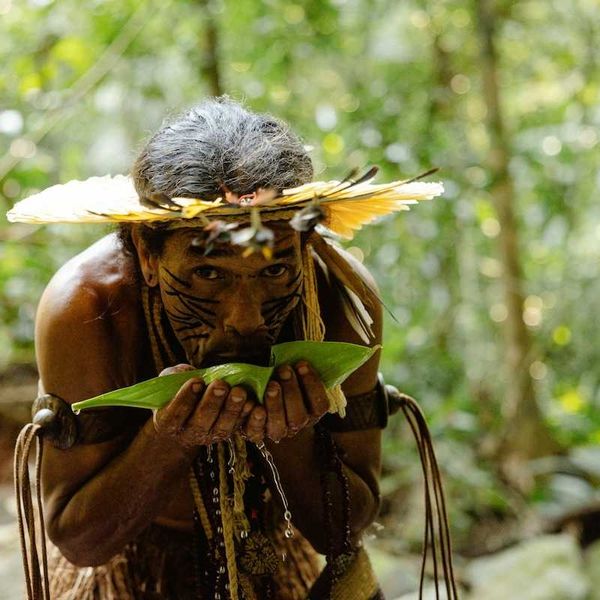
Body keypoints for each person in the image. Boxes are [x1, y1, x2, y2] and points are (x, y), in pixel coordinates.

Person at [9, 97, 447, 600]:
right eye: (208, 273)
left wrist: (291, 438)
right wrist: (167, 441)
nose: (247, 319)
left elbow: (344, 531)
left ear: (305, 245)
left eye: (275, 271)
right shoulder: (87, 306)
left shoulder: (340, 298)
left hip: (274, 558)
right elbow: (79, 541)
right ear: (149, 254)